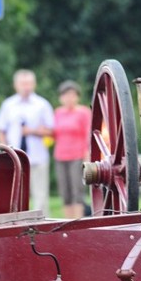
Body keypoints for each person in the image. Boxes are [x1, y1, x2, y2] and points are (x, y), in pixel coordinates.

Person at [0, 70, 55, 215]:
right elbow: (0, 129)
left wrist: (32, 131)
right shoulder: (8, 105)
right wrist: (5, 150)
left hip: (37, 156)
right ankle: (17, 225)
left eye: (29, 83)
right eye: (23, 84)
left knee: (40, 194)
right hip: (15, 158)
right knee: (15, 194)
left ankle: (41, 226)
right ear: (16, 85)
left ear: (34, 85)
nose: (26, 87)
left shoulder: (42, 104)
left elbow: (52, 131)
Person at [52, 80, 91, 219]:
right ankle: (67, 221)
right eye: (66, 95)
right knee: (65, 191)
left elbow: (88, 134)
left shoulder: (84, 112)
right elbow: (52, 133)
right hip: (61, 155)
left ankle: (78, 220)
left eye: (72, 95)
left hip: (77, 155)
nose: (69, 98)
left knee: (77, 190)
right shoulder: (57, 112)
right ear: (61, 97)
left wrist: (87, 155)